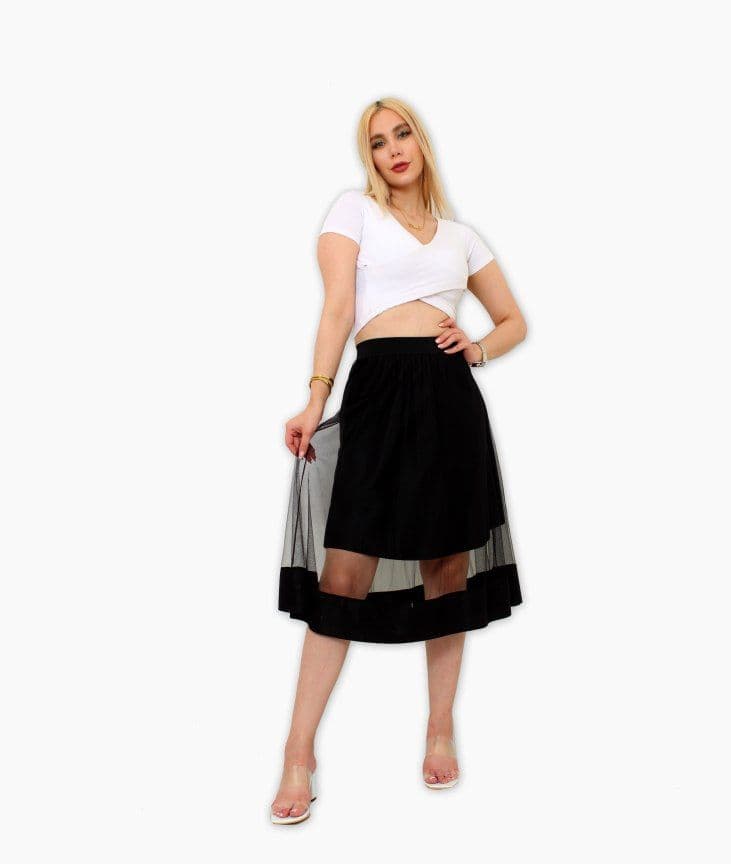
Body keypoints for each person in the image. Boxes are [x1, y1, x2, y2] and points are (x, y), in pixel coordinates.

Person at [270, 97, 528, 824]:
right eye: (378, 142)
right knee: (343, 574)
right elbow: (336, 310)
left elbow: (513, 320)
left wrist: (478, 348)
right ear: (371, 159)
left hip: (449, 400)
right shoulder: (352, 211)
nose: (394, 150)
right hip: (378, 393)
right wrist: (315, 399)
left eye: (402, 133)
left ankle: (440, 728)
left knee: (447, 568)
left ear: (421, 140)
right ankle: (297, 752)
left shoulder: (462, 236)